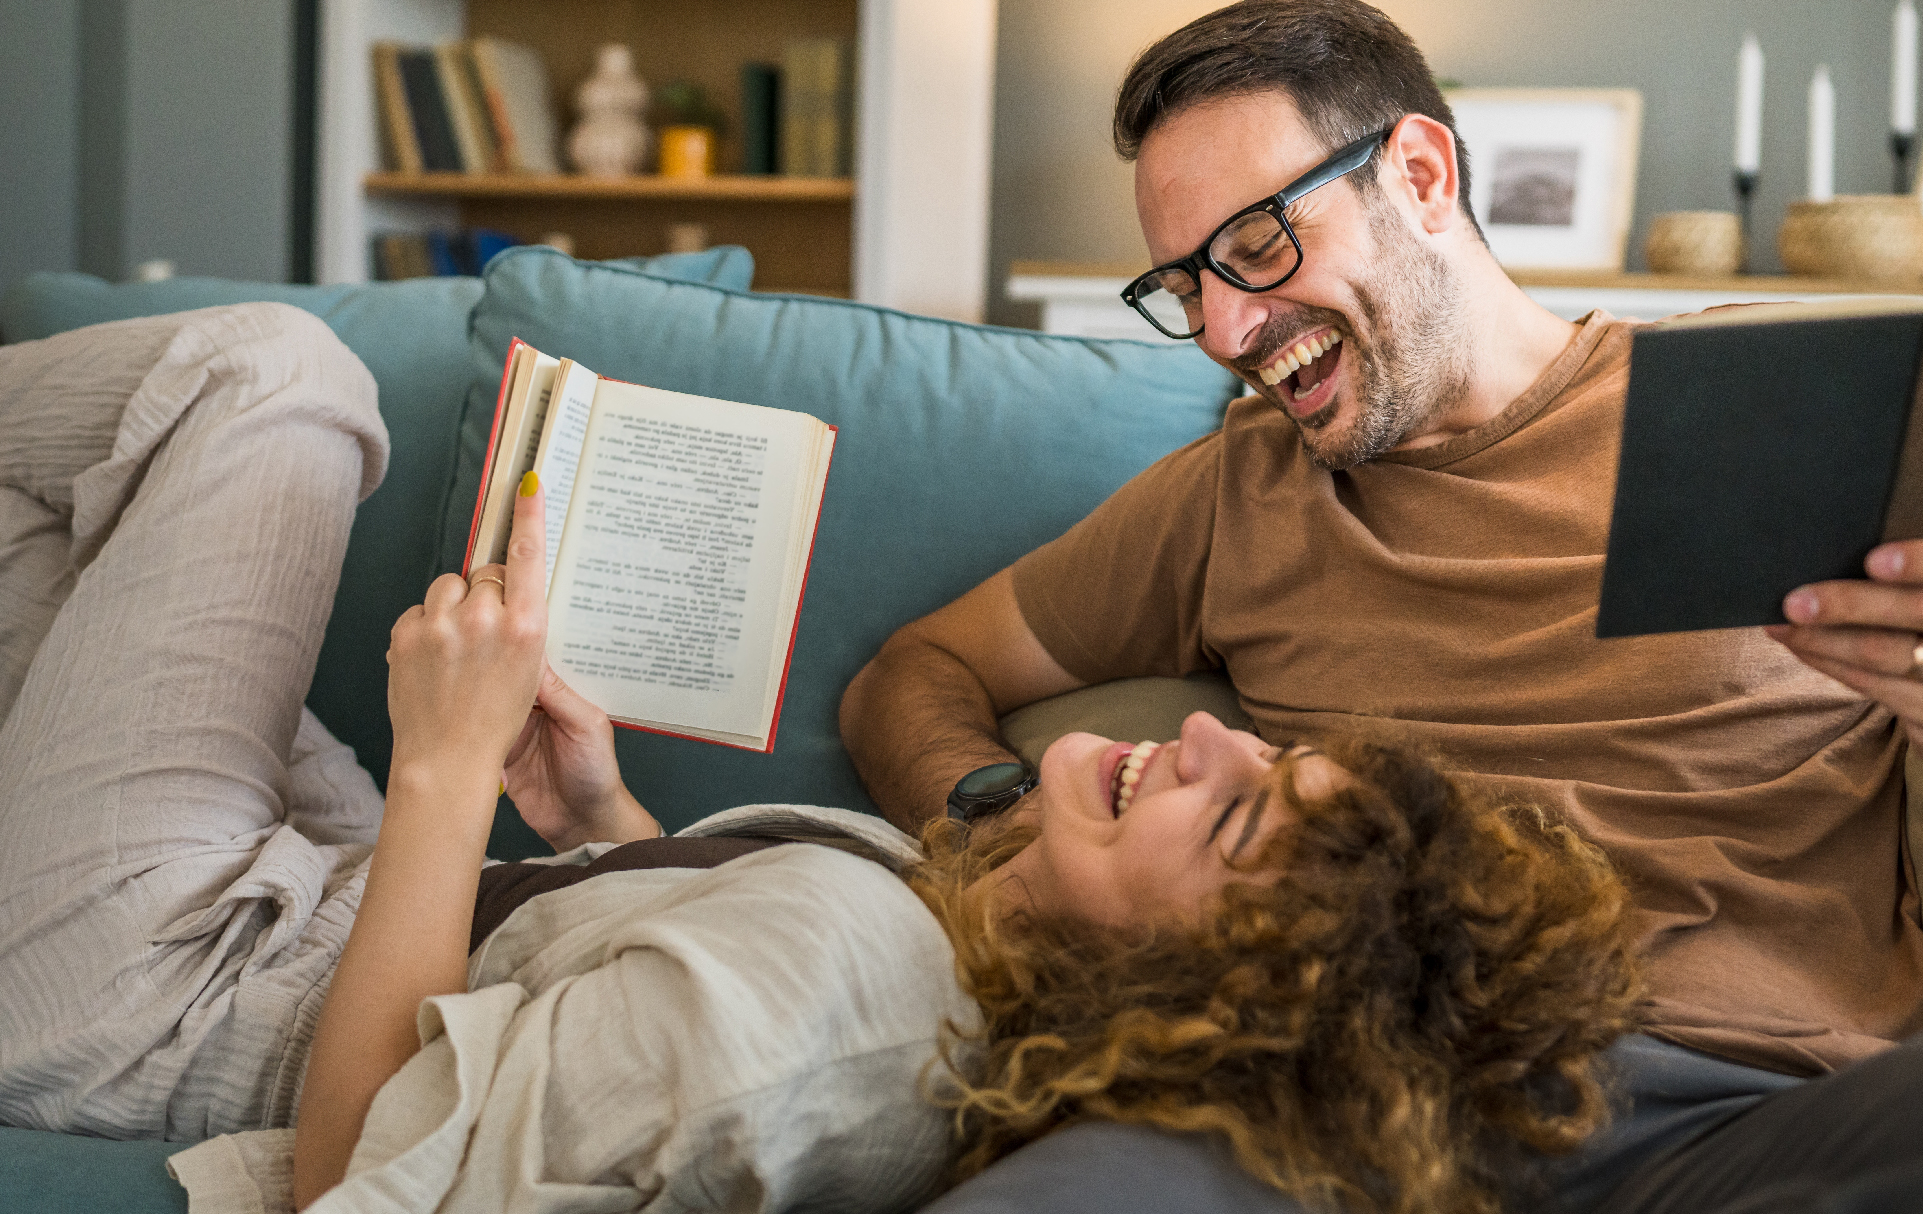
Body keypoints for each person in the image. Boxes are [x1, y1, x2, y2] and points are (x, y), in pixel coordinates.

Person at [839, 2, 1923, 1210]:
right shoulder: (1233, 493)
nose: (1224, 328)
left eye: (1259, 244)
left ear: (1419, 171)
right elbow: (916, 666)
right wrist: (997, 821)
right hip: (1335, 1116)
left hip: (1731, 1111)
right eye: (1185, 282)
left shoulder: (1793, 406)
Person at [0, 303, 1641, 1214]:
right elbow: (622, 987)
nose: (1199, 732)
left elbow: (352, 1175)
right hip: (303, 902)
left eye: (1230, 824)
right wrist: (598, 817)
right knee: (61, 551)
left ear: (1201, 994)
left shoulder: (829, 1023)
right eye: (1262, 758)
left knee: (276, 379)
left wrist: (441, 768)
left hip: (154, 992)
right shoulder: (945, 968)